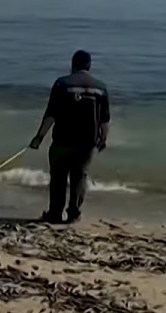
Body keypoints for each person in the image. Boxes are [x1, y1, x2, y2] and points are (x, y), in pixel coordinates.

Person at [28, 50, 110, 224]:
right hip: (87, 142)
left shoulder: (62, 84)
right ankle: (74, 213)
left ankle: (55, 213)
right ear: (89, 66)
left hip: (62, 140)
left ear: (72, 65)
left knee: (58, 177)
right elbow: (104, 119)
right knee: (79, 177)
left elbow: (51, 114)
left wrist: (39, 137)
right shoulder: (100, 87)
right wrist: (103, 139)